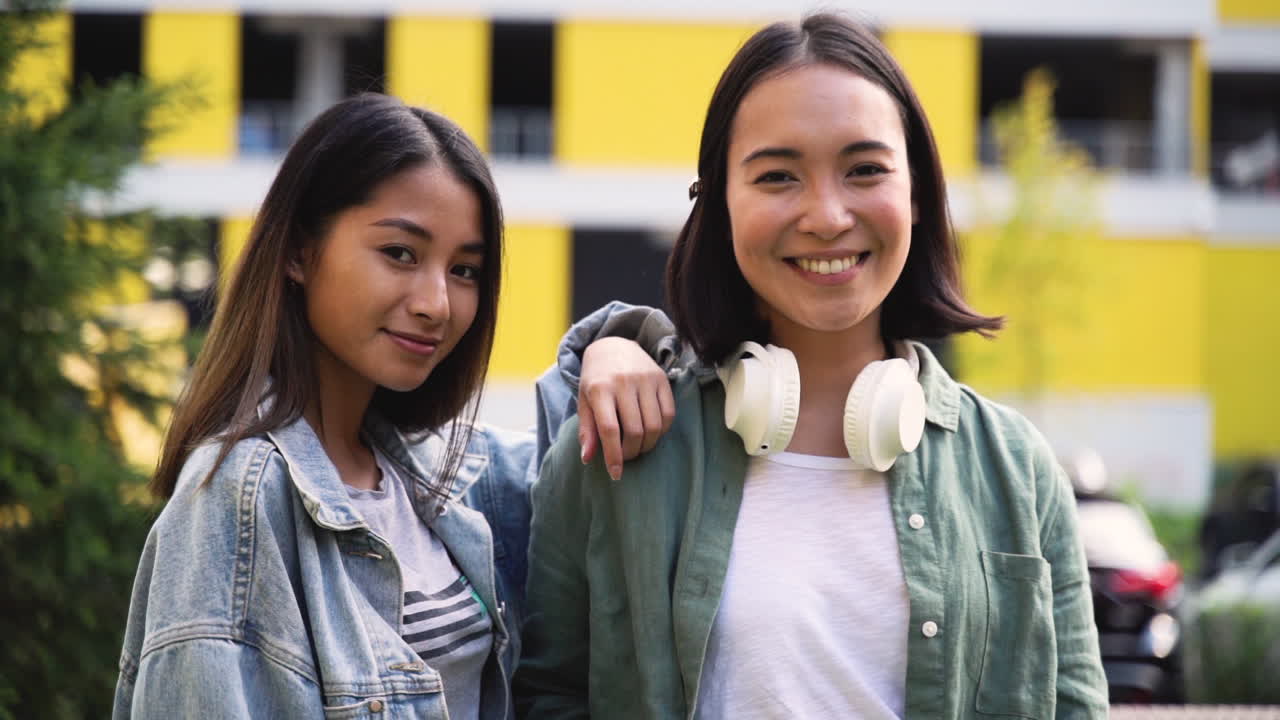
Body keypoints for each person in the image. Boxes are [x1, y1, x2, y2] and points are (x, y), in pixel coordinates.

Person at [517, 14, 1108, 719]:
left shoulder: (1016, 468)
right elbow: (548, 698)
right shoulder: (617, 451)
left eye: (864, 170)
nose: (827, 216)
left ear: (916, 193)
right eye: (777, 176)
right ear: (720, 204)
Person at [112, 93, 672, 720]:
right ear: (299, 252)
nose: (437, 303)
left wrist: (614, 347)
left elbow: (573, 464)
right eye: (400, 254)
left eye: (464, 270)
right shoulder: (234, 501)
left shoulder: (438, 476)